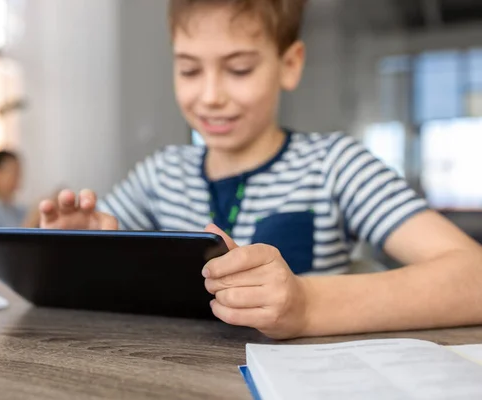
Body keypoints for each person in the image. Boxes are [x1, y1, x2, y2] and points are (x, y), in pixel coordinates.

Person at [37, 0, 482, 339]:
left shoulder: (334, 166)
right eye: (189, 70)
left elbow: (473, 279)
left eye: (239, 69)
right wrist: (76, 248)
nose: (210, 95)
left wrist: (307, 305)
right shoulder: (160, 174)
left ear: (289, 65)